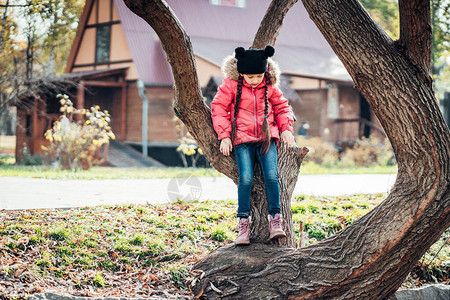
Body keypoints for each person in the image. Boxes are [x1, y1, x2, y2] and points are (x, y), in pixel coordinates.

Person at [211, 45, 295, 245]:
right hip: (242, 140)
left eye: (259, 76)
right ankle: (243, 226)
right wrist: (224, 136)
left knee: (272, 177)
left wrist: (286, 129)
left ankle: (275, 222)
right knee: (246, 179)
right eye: (250, 77)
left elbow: (282, 106)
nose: (255, 80)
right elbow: (219, 107)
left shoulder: (270, 85)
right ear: (241, 73)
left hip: (266, 139)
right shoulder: (231, 84)